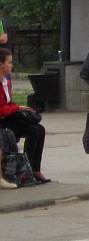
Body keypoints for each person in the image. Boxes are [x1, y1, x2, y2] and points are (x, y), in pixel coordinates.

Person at [0, 47, 50, 183]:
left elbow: (9, 102)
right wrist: (18, 108)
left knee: (40, 129)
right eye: (9, 62)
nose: (12, 65)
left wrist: (23, 110)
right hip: (3, 121)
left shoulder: (6, 81)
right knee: (33, 131)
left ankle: (35, 169)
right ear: (1, 64)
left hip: (9, 117)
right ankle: (25, 171)